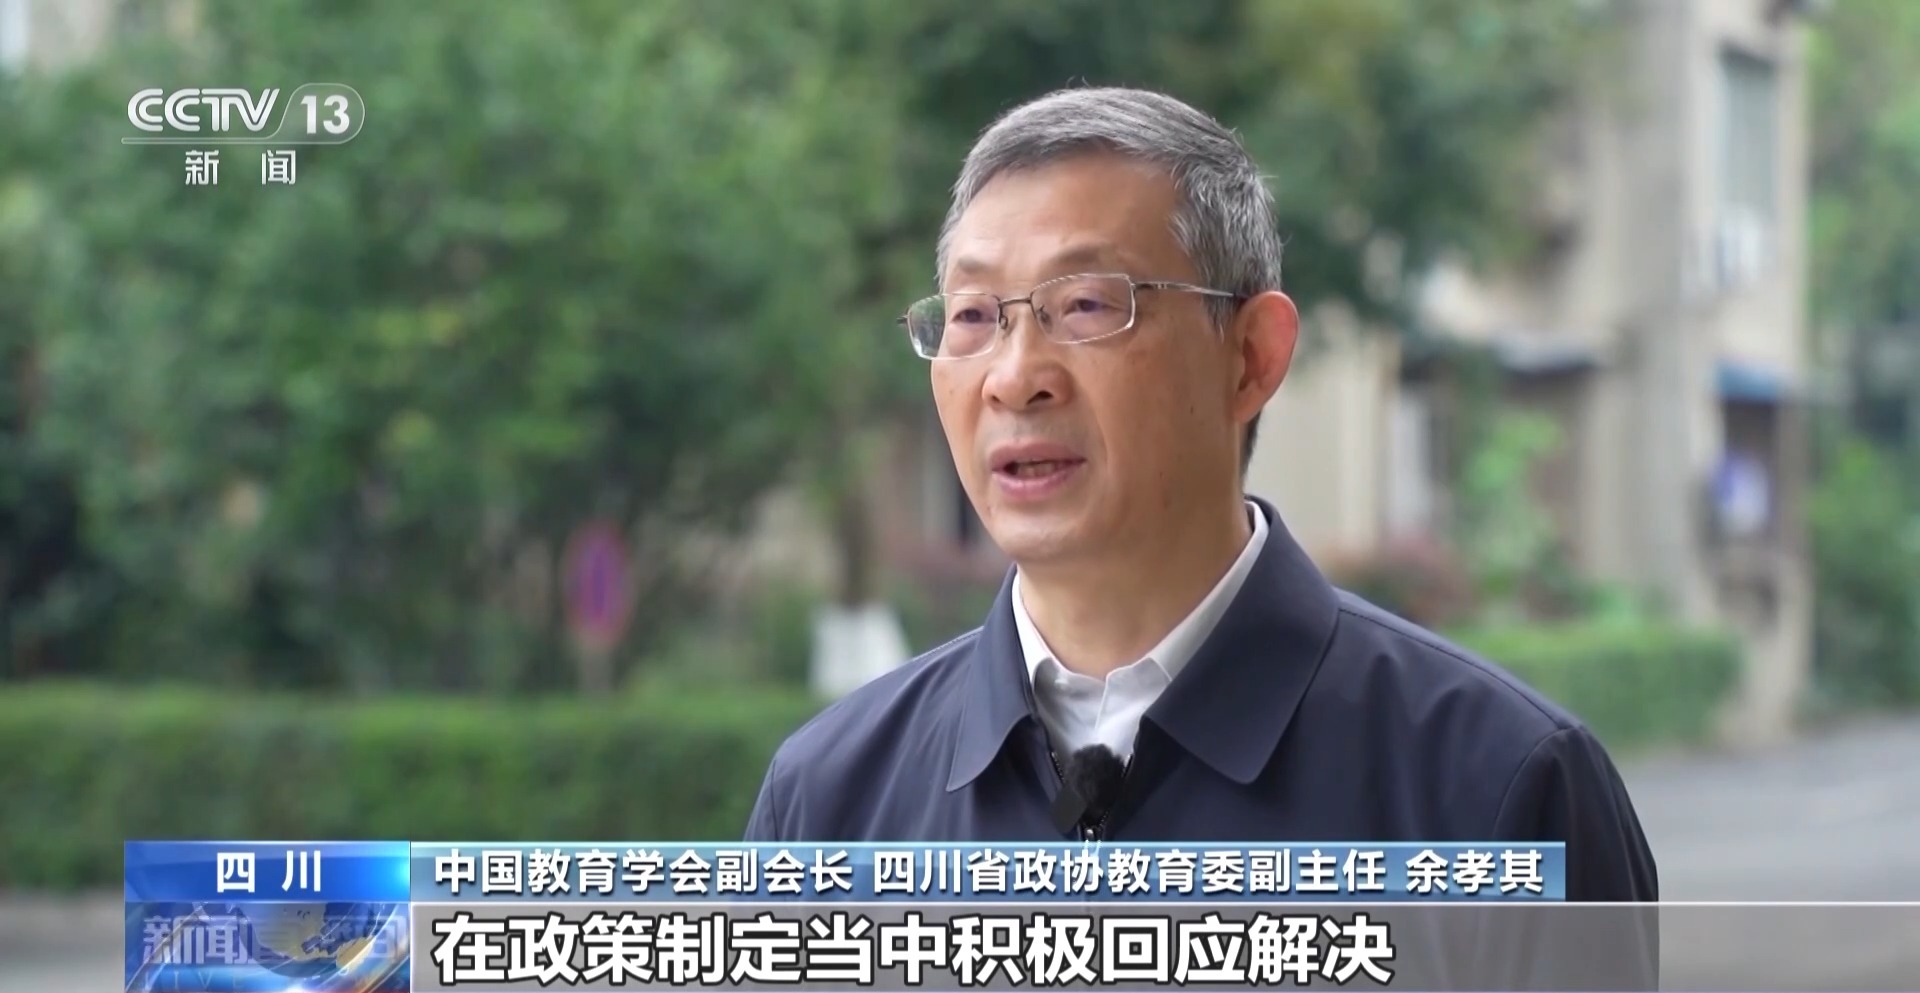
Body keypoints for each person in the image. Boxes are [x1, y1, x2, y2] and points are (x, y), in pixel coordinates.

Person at [744, 87, 1658, 912]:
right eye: (975, 316)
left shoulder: (1496, 791)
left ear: (1252, 357)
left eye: (1088, 304)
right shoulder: (827, 806)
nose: (1015, 377)